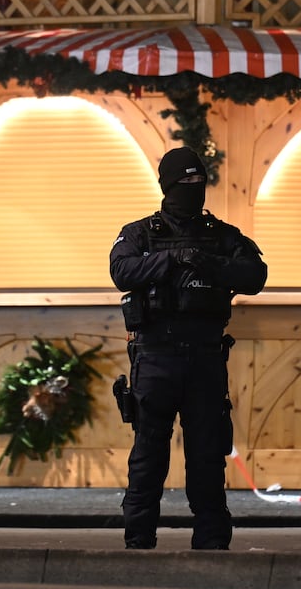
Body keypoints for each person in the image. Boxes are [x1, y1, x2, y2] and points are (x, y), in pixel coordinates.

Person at [109, 146, 267, 550]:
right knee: (148, 455)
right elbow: (121, 271)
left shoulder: (222, 235)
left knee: (207, 456)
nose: (194, 189)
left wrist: (209, 263)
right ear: (167, 185)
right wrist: (172, 259)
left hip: (205, 359)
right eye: (185, 182)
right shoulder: (142, 233)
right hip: (155, 356)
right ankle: (139, 538)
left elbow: (255, 274)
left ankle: (212, 541)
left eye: (200, 182)